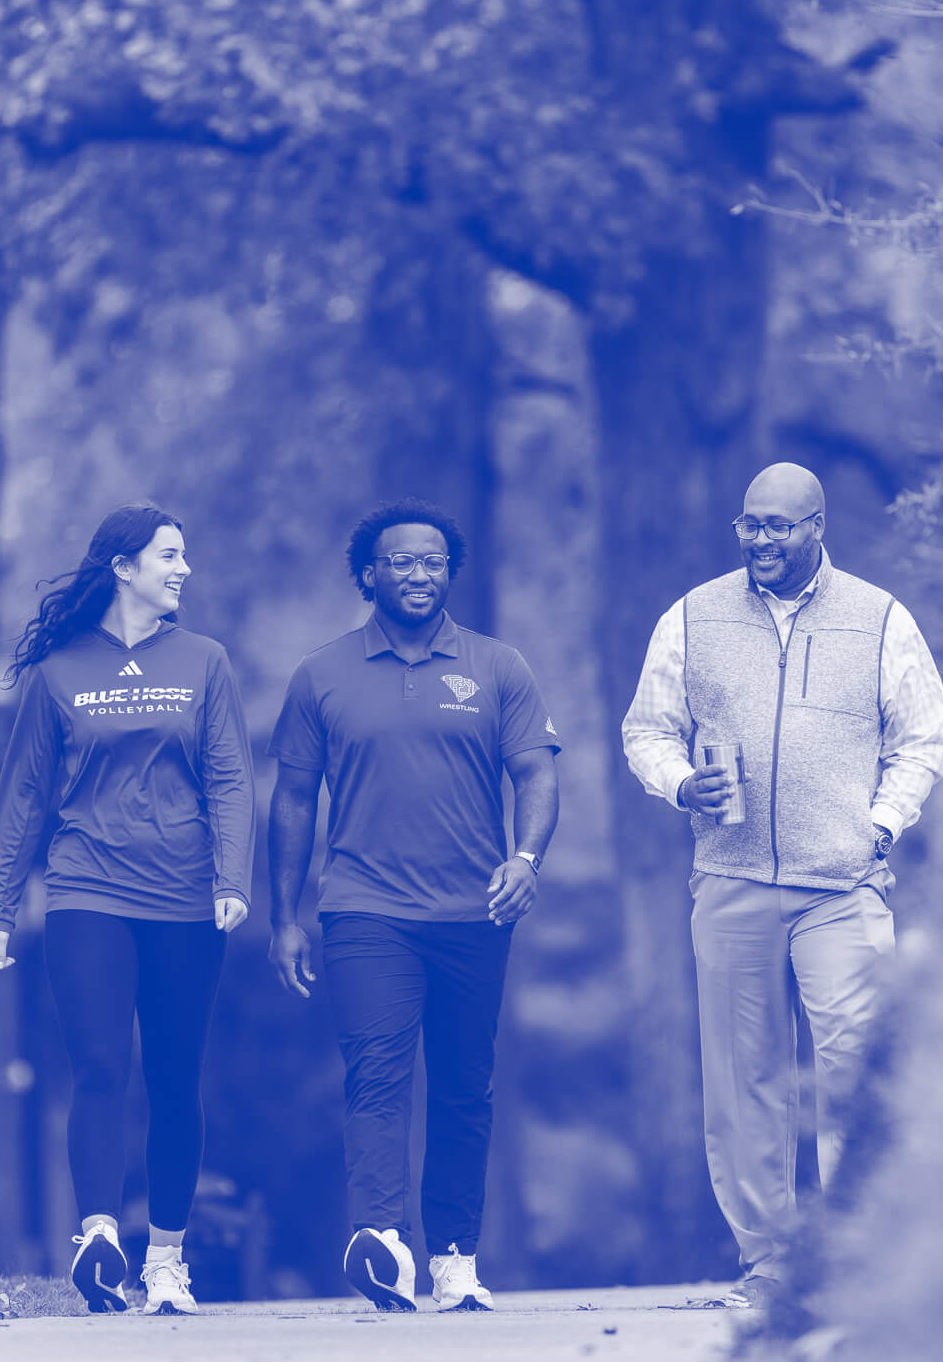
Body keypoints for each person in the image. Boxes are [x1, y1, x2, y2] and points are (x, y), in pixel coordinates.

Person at [620, 462, 943, 1309]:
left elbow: (922, 740)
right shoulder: (691, 617)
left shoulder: (880, 619)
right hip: (728, 882)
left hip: (843, 885)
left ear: (816, 527)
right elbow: (647, 731)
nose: (761, 541)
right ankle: (769, 1266)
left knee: (852, 1065)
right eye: (749, 525)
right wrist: (678, 783)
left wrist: (879, 825)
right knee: (743, 1081)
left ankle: (851, 1263)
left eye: (778, 526)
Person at [267, 496, 561, 1314]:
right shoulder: (321, 674)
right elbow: (292, 799)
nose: (419, 573)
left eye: (433, 561)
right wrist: (284, 915)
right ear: (371, 574)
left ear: (449, 572)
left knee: (466, 1084)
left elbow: (537, 772)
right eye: (402, 561)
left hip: (476, 911)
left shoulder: (498, 667)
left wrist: (526, 858)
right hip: (364, 908)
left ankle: (456, 1258)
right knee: (377, 1075)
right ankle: (382, 1238)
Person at [0, 503, 254, 1316]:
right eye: (170, 555)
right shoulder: (59, 670)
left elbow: (232, 777)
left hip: (184, 898)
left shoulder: (205, 661)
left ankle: (166, 1258)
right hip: (85, 891)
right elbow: (23, 792)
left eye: (185, 555)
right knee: (99, 1068)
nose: (184, 569)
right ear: (123, 567)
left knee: (174, 1078)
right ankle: (98, 1238)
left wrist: (231, 877)